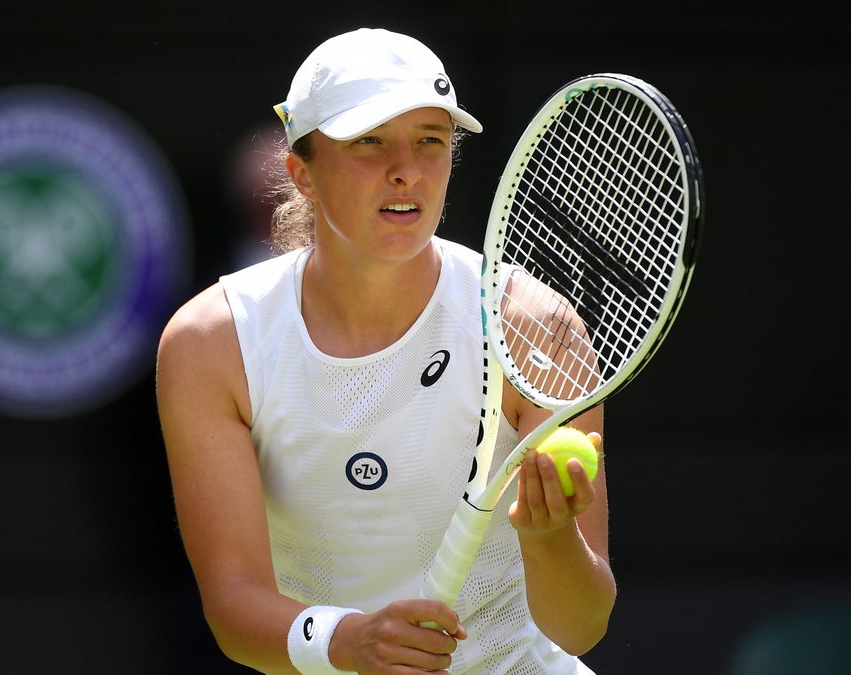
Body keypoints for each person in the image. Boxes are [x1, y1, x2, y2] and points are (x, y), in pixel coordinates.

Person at [156, 28, 614, 674]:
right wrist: (346, 641)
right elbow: (234, 605)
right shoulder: (213, 343)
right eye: (369, 141)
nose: (406, 168)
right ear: (301, 173)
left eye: (430, 140)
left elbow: (582, 624)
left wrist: (548, 537)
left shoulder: (533, 325)